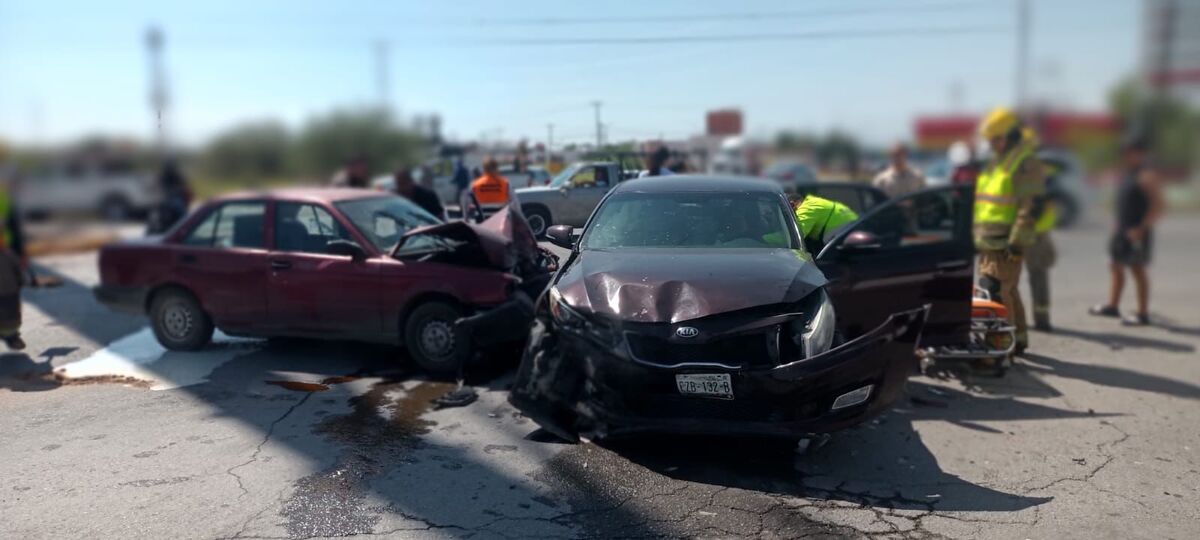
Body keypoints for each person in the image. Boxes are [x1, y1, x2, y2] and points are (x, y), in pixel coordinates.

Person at [974, 107, 1045, 354]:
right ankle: (1019, 340)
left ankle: (1001, 347)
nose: (992, 144)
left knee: (997, 294)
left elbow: (1030, 207)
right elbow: (985, 203)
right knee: (1006, 291)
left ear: (1007, 136)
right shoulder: (999, 161)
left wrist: (1016, 243)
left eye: (995, 139)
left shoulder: (1024, 162)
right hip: (987, 240)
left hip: (1004, 242)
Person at [1089, 134, 1165, 326]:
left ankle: (1142, 314)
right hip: (1121, 230)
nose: (1127, 155)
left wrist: (1141, 228)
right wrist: (1117, 224)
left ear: (1140, 154)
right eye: (1125, 152)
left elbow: (1158, 206)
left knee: (1137, 270)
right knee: (1114, 264)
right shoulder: (1128, 173)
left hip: (1137, 232)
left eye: (1131, 152)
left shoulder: (1146, 175)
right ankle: (1112, 306)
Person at [1025, 153, 1059, 332]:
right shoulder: (1046, 175)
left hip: (1034, 232)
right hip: (1037, 232)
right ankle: (1041, 318)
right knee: (1038, 276)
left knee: (1037, 276)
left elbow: (1038, 206)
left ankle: (1042, 320)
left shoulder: (1037, 175)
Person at [0, 156, 26, 350]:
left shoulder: (4, 197)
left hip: (3, 254)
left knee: (8, 296)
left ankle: (10, 334)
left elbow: (14, 225)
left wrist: (20, 253)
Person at [792, 194, 859, 254]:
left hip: (842, 244)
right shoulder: (814, 201)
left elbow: (795, 235)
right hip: (848, 236)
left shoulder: (809, 207)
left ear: (793, 204)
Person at [463, 157, 523, 222]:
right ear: (497, 168)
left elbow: (466, 203)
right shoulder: (505, 183)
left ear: (484, 169)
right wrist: (519, 218)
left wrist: (466, 218)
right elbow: (515, 203)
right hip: (500, 221)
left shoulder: (474, 185)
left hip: (482, 221)